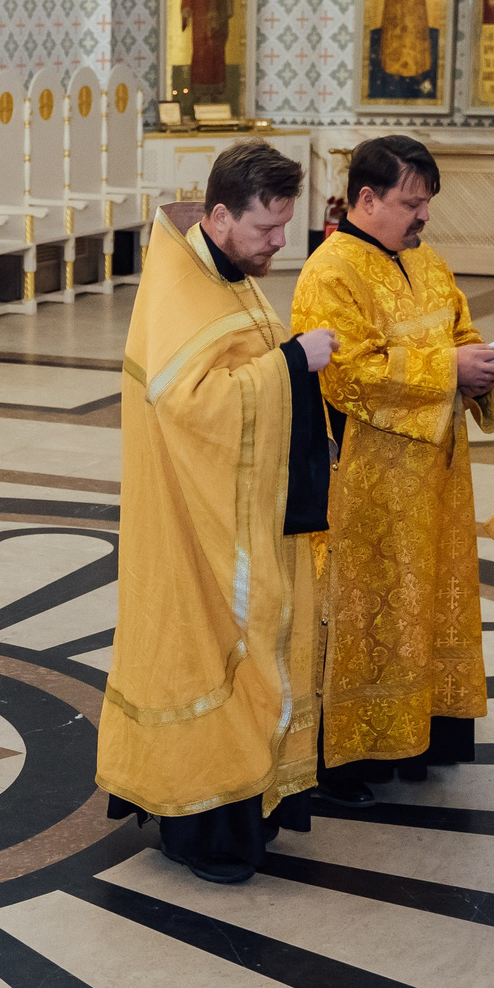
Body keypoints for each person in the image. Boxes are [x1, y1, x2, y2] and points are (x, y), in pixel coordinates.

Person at [100, 142, 332, 883]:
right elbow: (190, 402)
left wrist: (285, 361)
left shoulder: (225, 267)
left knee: (254, 633)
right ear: (221, 214)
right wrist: (294, 364)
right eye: (267, 229)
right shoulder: (181, 282)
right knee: (204, 646)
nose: (278, 244)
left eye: (285, 227)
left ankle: (249, 798)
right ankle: (201, 824)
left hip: (230, 508)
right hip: (189, 525)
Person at [292, 135, 494, 806]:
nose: (424, 218)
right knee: (368, 609)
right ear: (366, 198)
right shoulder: (329, 273)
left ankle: (424, 731)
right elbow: (347, 376)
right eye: (411, 204)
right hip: (369, 479)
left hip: (435, 475)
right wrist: (451, 373)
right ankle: (352, 755)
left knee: (430, 595)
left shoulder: (429, 263)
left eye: (426, 205)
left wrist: (483, 364)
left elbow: (460, 329)